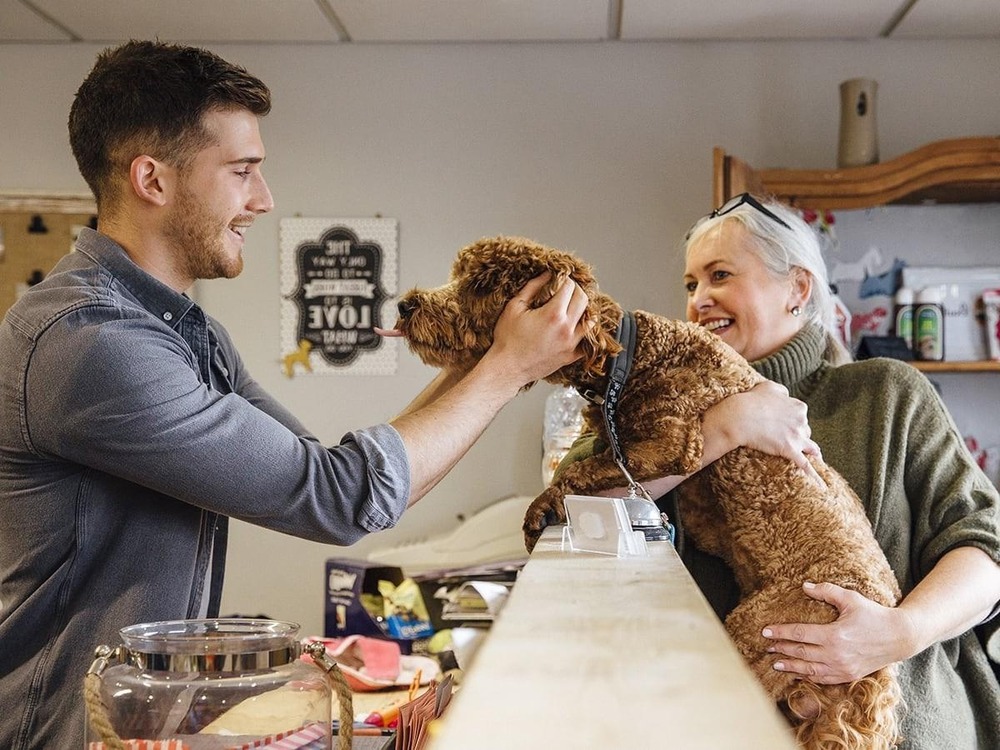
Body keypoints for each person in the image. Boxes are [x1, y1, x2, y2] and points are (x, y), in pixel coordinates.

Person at [0, 41, 590, 750]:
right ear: (152, 179)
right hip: (54, 730)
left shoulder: (188, 334)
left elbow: (337, 475)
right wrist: (503, 369)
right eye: (242, 172)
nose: (263, 199)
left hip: (139, 726)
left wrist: (489, 361)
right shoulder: (90, 343)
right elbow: (339, 497)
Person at [563, 193, 1000, 748]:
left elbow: (987, 547)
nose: (700, 299)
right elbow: (573, 516)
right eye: (691, 284)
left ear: (797, 289)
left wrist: (898, 633)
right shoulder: (662, 411)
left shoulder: (884, 396)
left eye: (720, 274)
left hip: (905, 729)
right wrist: (725, 426)